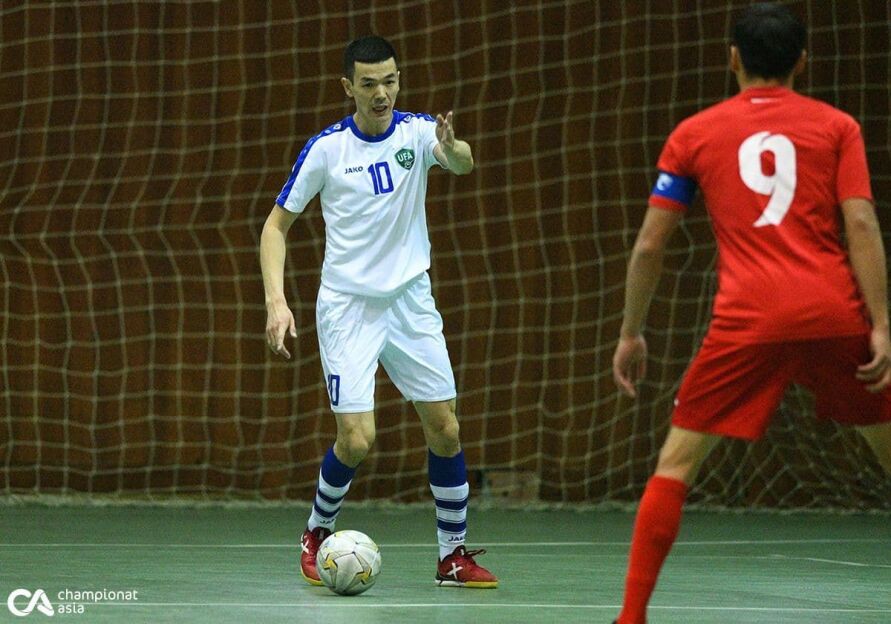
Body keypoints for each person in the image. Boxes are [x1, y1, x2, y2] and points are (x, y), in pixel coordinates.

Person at [610, 3, 891, 622]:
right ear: (802, 62)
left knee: (675, 466)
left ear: (732, 58)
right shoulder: (838, 127)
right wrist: (882, 324)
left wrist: (631, 332)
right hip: (834, 314)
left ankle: (630, 617)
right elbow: (862, 222)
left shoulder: (695, 133)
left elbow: (651, 244)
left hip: (747, 323)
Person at [260, 35, 497, 589]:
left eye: (389, 81)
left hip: (410, 302)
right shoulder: (327, 150)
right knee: (356, 439)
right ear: (349, 87)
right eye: (369, 84)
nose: (382, 93)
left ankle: (452, 557)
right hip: (348, 308)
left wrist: (453, 146)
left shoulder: (418, 132)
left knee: (445, 427)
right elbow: (275, 227)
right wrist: (277, 301)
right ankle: (316, 532)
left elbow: (462, 164)